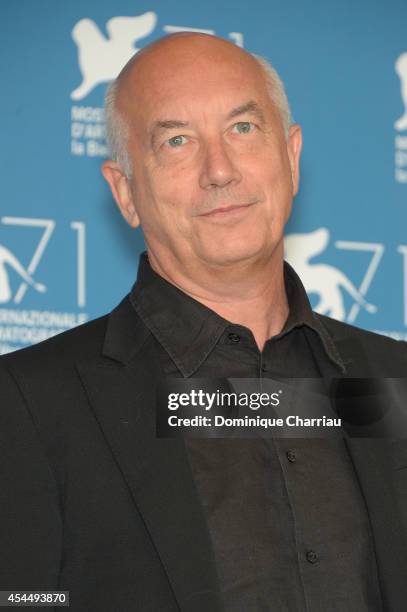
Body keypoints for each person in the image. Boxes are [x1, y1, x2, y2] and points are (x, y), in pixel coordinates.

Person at [1, 33, 407, 612]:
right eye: (176, 141)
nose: (219, 170)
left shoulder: (394, 380)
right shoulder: (29, 402)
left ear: (290, 159)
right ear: (125, 192)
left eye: (243, 129)